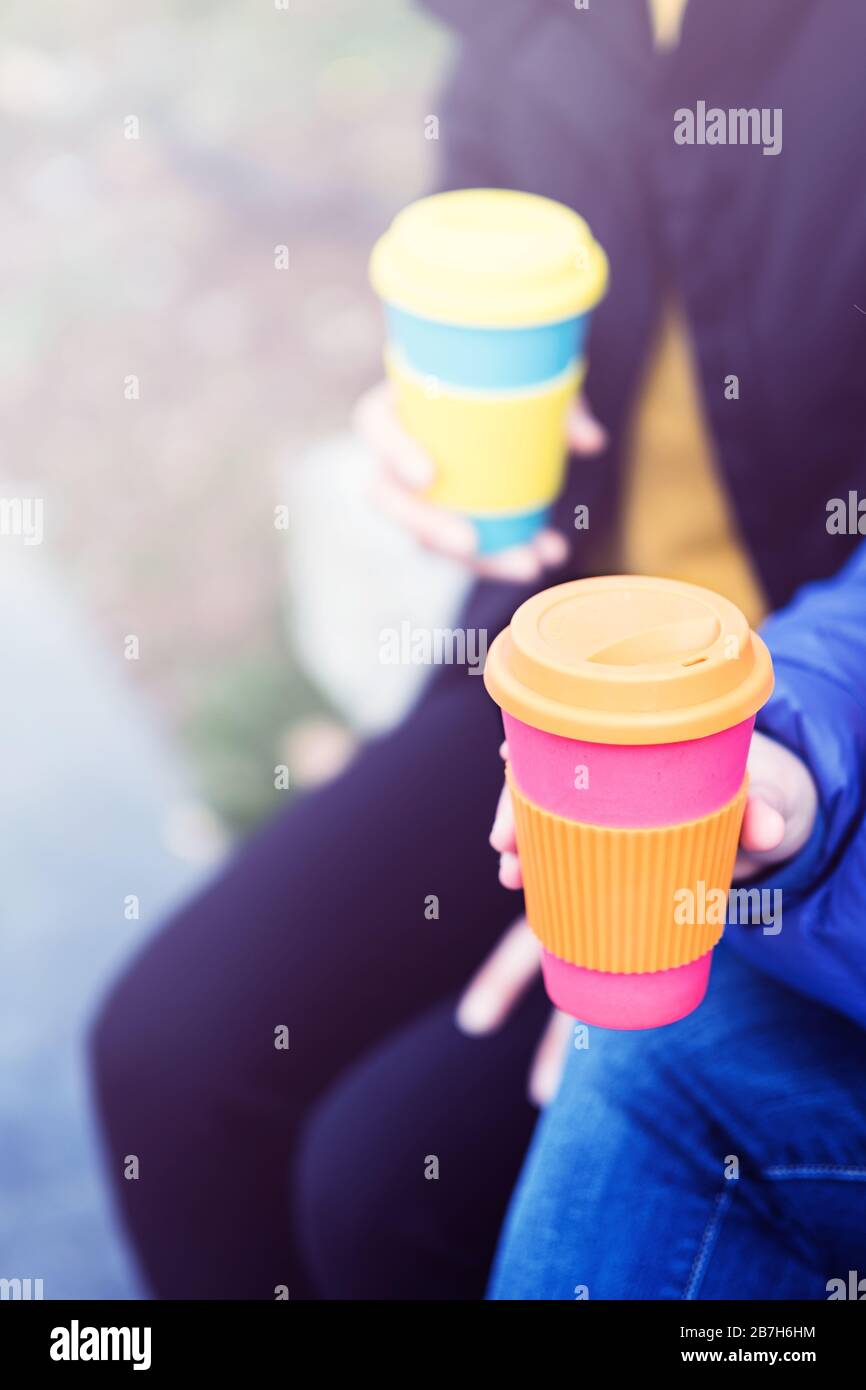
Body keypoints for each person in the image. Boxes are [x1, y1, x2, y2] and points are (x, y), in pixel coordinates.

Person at [90, 0, 866, 1299]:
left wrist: (677, 884)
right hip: (548, 671)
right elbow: (485, 256)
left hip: (777, 762)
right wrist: (422, 416)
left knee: (388, 1183)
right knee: (170, 1056)